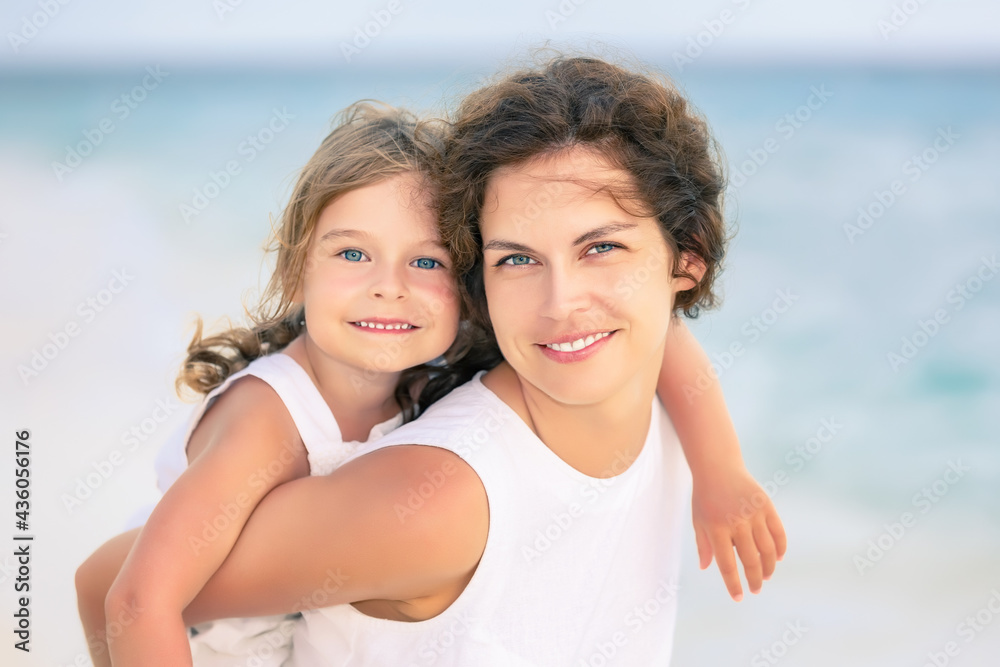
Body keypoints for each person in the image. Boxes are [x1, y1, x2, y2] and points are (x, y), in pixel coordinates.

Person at [80, 55, 785, 666]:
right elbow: (113, 585)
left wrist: (721, 471)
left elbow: (667, 344)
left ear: (684, 260)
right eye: (518, 259)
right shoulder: (435, 501)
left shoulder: (640, 370)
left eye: (601, 247)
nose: (565, 302)